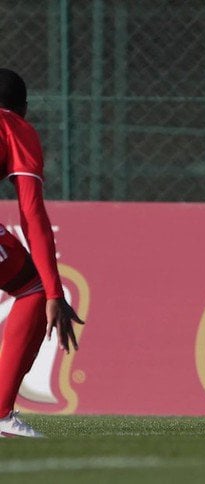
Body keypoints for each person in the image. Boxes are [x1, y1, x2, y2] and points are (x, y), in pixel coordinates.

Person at [0, 68, 85, 438]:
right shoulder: (14, 127)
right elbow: (31, 213)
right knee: (32, 287)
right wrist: (54, 291)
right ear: (25, 108)